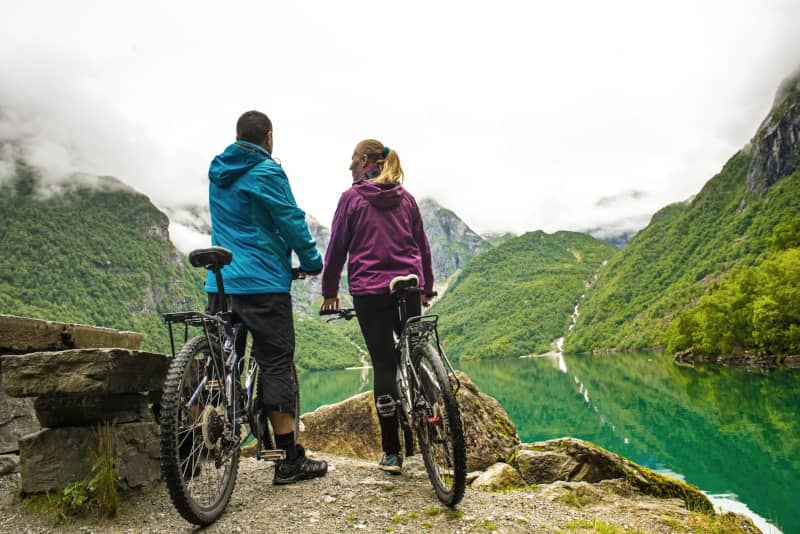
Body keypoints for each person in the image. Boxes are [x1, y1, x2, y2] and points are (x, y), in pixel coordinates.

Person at [206, 110, 327, 484]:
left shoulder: (217, 171)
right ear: (268, 137)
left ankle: (194, 447)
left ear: (238, 135)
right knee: (275, 362)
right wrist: (312, 261)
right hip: (263, 285)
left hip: (222, 283)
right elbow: (290, 220)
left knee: (219, 363)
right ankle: (288, 460)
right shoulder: (267, 172)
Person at [320, 139, 435, 474]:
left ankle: (391, 453)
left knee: (384, 365)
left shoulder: (352, 199)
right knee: (414, 352)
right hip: (409, 286)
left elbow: (337, 250)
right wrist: (425, 286)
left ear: (365, 161)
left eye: (353, 162)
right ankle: (434, 410)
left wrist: (329, 292)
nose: (351, 168)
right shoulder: (407, 198)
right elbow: (422, 246)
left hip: (370, 292)